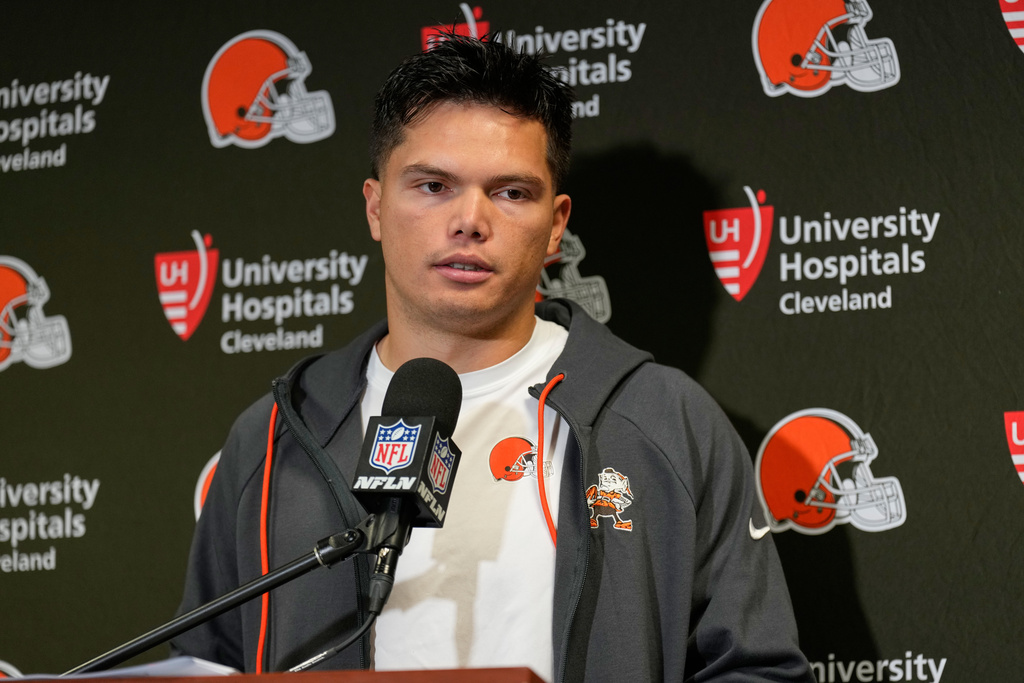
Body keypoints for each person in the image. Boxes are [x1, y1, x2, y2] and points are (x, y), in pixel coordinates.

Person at [172, 35, 814, 682]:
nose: (469, 221)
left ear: (556, 224)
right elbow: (202, 666)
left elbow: (757, 670)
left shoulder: (666, 420)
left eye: (510, 192)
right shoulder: (274, 437)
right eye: (433, 185)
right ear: (375, 206)